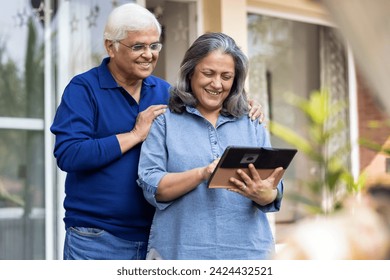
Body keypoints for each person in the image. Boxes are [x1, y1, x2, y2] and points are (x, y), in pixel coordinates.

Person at [50, 4, 263, 260]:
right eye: (138, 46)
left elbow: (211, 97)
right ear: (110, 47)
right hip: (97, 237)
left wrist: (245, 103)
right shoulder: (83, 89)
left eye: (154, 46)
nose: (148, 54)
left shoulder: (165, 92)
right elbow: (70, 154)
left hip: (156, 239)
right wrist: (134, 135)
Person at [137, 32, 285, 260]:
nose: (217, 84)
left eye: (226, 76)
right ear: (190, 72)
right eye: (208, 73)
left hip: (249, 255)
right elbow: (152, 187)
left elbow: (273, 191)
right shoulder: (164, 122)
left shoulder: (252, 122)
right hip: (182, 254)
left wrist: (264, 193)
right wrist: (203, 173)